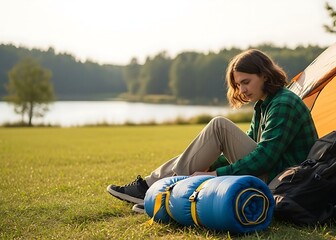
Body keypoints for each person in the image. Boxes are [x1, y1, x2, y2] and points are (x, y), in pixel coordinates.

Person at [107, 49, 318, 213]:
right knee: (200, 151)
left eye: (246, 82)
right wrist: (211, 165)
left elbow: (265, 158)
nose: (242, 90)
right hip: (272, 175)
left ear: (264, 75)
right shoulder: (263, 105)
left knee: (219, 126)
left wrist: (215, 173)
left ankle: (160, 192)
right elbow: (250, 146)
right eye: (238, 85)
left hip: (283, 182)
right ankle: (153, 186)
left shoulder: (284, 103)